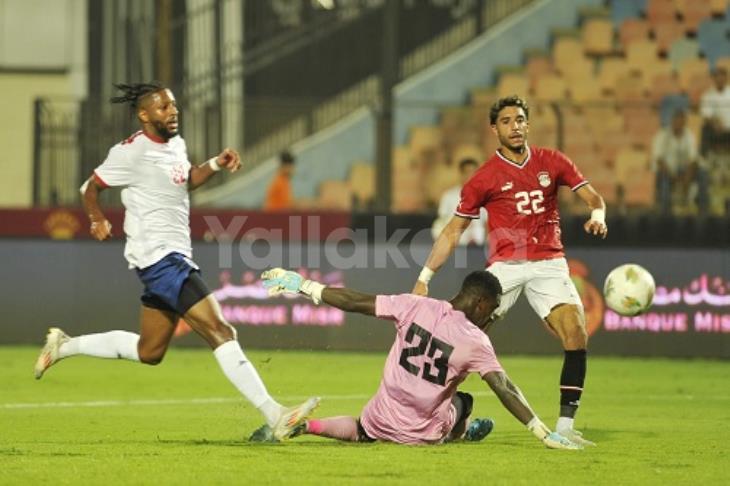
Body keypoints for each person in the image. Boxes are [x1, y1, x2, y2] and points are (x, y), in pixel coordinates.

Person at [33, 82, 318, 440]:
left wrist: (215, 163)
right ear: (144, 114)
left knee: (149, 350)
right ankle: (275, 415)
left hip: (173, 255)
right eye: (165, 107)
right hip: (159, 258)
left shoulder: (175, 145)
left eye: (174, 106)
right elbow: (90, 188)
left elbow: (185, 180)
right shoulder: (131, 152)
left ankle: (64, 345)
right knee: (222, 331)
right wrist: (97, 218)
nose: (173, 111)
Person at [412, 95, 607, 446]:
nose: (514, 126)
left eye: (519, 120)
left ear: (527, 124)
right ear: (494, 129)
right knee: (457, 338)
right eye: (506, 121)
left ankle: (564, 426)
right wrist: (424, 278)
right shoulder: (484, 177)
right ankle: (432, 415)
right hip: (505, 266)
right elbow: (453, 230)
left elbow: (594, 198)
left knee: (576, 333)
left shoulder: (553, 161)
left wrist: (598, 216)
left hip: (549, 263)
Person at [250, 267, 583, 449]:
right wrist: (542, 432)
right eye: (493, 310)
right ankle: (462, 431)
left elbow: (355, 301)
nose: (490, 317)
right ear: (481, 303)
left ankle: (308, 426)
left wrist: (304, 285)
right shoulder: (476, 340)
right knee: (464, 401)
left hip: (380, 418)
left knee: (362, 431)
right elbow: (504, 387)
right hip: (422, 433)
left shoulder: (414, 305)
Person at [651, 110, 709, 214]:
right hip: (667, 171)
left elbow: (693, 158)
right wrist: (672, 176)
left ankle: (703, 209)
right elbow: (659, 159)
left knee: (702, 173)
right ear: (672, 121)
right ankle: (665, 213)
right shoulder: (662, 135)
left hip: (685, 170)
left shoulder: (689, 135)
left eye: (682, 122)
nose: (679, 124)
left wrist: (688, 176)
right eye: (677, 121)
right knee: (664, 181)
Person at [432, 158, 487, 245]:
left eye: (474, 172)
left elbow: (486, 223)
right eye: (468, 172)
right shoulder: (449, 196)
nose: (471, 176)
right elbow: (441, 222)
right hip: (455, 246)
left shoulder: (485, 197)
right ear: (461, 174)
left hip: (479, 249)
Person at [699, 66, 730, 156]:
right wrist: (716, 124)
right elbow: (707, 117)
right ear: (714, 78)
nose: (719, 79)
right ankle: (704, 161)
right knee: (705, 129)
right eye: (717, 77)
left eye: (722, 76)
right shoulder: (707, 96)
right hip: (717, 129)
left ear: (726, 78)